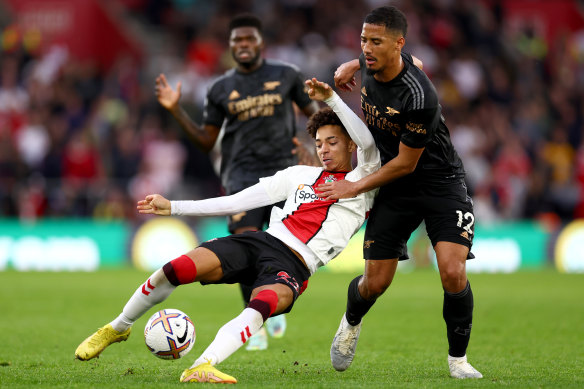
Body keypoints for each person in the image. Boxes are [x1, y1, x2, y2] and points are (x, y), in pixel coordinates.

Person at [74, 78, 381, 383]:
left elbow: (368, 143)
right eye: (318, 144)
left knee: (261, 304)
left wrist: (331, 99)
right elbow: (236, 201)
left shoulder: (364, 179)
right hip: (261, 242)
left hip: (295, 265)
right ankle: (118, 326)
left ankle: (203, 365)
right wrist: (175, 207)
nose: (324, 150)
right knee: (175, 269)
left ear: (349, 144)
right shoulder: (300, 175)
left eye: (332, 142)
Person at [319, 6, 482, 379]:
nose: (367, 48)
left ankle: (458, 360)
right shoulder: (374, 61)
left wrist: (354, 186)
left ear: (398, 44)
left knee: (453, 273)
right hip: (395, 188)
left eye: (375, 42)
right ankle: (350, 323)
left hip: (440, 182)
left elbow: (407, 163)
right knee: (375, 282)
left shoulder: (420, 95)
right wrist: (352, 63)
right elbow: (403, 56)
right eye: (363, 41)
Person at [155, 14, 320, 350]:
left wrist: (314, 147)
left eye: (249, 40)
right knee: (246, 242)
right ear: (230, 47)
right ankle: (253, 321)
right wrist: (175, 110)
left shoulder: (286, 74)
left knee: (283, 246)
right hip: (242, 176)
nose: (243, 46)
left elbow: (315, 114)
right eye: (236, 42)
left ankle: (269, 298)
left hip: (286, 176)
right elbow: (205, 140)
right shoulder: (219, 88)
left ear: (260, 42)